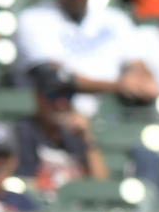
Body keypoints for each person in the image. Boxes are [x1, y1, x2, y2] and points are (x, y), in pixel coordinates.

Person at [13, 0, 159, 118]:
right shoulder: (33, 19)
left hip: (113, 116)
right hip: (57, 117)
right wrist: (118, 86)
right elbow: (55, 78)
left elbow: (138, 64)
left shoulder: (116, 18)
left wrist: (136, 78)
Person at [14, 63, 109, 195]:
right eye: (53, 95)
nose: (61, 103)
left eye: (67, 95)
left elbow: (102, 188)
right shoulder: (23, 133)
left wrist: (88, 139)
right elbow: (25, 187)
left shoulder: (76, 135)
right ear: (38, 97)